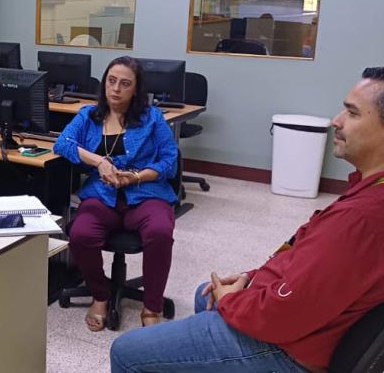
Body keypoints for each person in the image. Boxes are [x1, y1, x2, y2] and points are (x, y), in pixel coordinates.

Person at [110, 67, 384, 372]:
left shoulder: (361, 217)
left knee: (126, 352)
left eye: (353, 113)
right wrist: (253, 277)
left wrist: (233, 301)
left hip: (290, 349)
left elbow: (288, 311)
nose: (337, 120)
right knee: (205, 294)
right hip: (305, 323)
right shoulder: (369, 189)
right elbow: (304, 259)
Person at [53, 56, 179, 331]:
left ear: (136, 89)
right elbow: (62, 144)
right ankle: (100, 294)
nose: (116, 89)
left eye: (125, 84)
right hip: (102, 194)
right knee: (81, 234)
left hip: (146, 193)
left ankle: (152, 305)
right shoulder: (88, 115)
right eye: (111, 81)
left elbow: (170, 162)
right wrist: (99, 162)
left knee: (159, 231)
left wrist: (135, 176)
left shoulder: (152, 118)